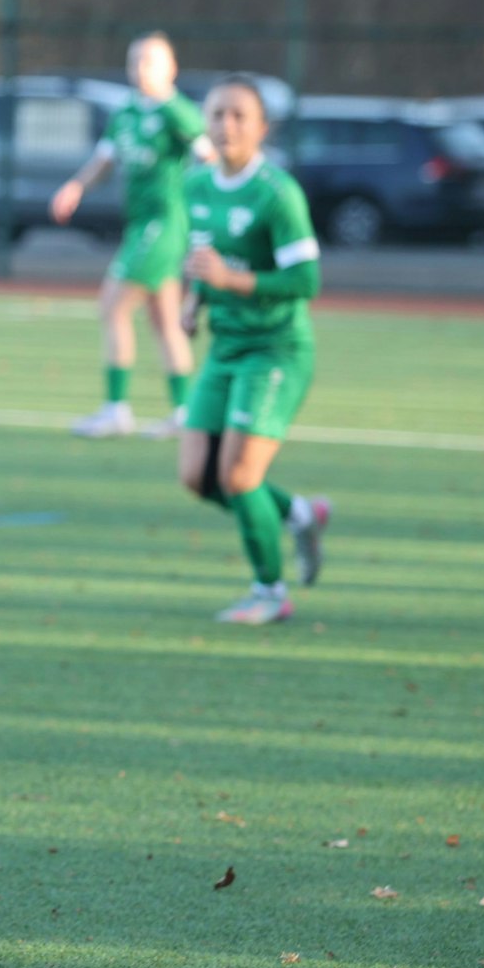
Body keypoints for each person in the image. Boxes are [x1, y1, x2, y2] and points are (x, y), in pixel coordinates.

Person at [177, 75, 332, 624]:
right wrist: (193, 301)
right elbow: (200, 259)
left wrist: (230, 280)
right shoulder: (195, 185)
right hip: (226, 347)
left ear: (262, 127)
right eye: (218, 114)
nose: (227, 125)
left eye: (240, 115)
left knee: (239, 477)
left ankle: (270, 592)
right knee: (198, 475)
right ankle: (297, 513)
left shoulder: (277, 193)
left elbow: (307, 280)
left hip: (277, 349)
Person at [50, 32, 214, 439]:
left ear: (171, 69)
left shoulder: (177, 113)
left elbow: (209, 158)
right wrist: (75, 187)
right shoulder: (125, 113)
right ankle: (184, 412)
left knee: (112, 306)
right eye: (134, 60)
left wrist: (205, 206)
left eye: (150, 61)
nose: (140, 69)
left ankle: (116, 409)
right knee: (165, 321)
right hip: (140, 224)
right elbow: (104, 160)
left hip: (164, 225)